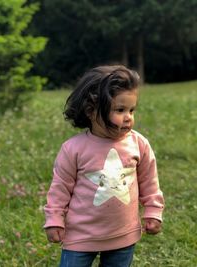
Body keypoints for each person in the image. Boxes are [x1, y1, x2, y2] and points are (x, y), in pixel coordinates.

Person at [44, 65, 164, 267]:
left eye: (131, 110)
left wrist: (153, 210)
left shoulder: (138, 144)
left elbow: (149, 181)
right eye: (120, 110)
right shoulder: (73, 149)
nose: (128, 117)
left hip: (122, 235)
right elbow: (60, 187)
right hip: (81, 236)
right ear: (91, 110)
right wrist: (54, 218)